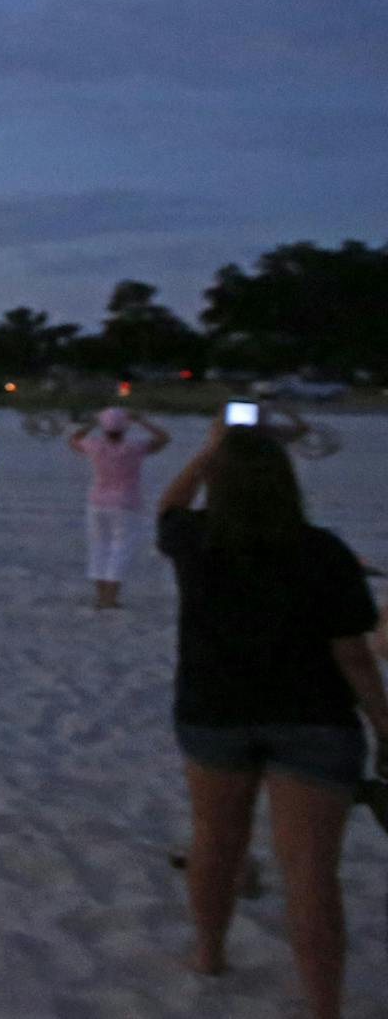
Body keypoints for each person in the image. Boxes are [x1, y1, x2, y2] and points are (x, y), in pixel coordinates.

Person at [155, 421, 386, 1017]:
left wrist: (208, 452)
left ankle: (209, 953)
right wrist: (385, 725)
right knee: (310, 872)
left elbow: (168, 504)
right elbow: (355, 657)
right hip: (314, 720)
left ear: (219, 485)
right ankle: (323, 1004)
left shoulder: (197, 540)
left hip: (216, 714)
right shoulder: (323, 551)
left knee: (216, 841)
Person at [68, 406, 170, 609]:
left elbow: (73, 439)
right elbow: (164, 438)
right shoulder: (134, 448)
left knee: (99, 548)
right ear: (125, 429)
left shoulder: (95, 446)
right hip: (126, 503)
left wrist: (94, 421)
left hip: (97, 502)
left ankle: (100, 595)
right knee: (120, 549)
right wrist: (141, 420)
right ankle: (110, 597)